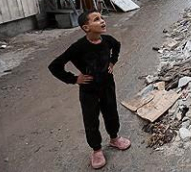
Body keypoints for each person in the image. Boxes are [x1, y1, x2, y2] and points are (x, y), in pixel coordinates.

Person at [48, 10, 131, 170]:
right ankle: (96, 150)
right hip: (88, 91)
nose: (102, 21)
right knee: (91, 119)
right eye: (96, 19)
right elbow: (54, 66)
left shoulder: (107, 40)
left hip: (107, 85)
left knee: (111, 113)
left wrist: (112, 62)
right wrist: (74, 79)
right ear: (86, 27)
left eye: (102, 18)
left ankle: (114, 138)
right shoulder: (78, 48)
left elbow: (117, 46)